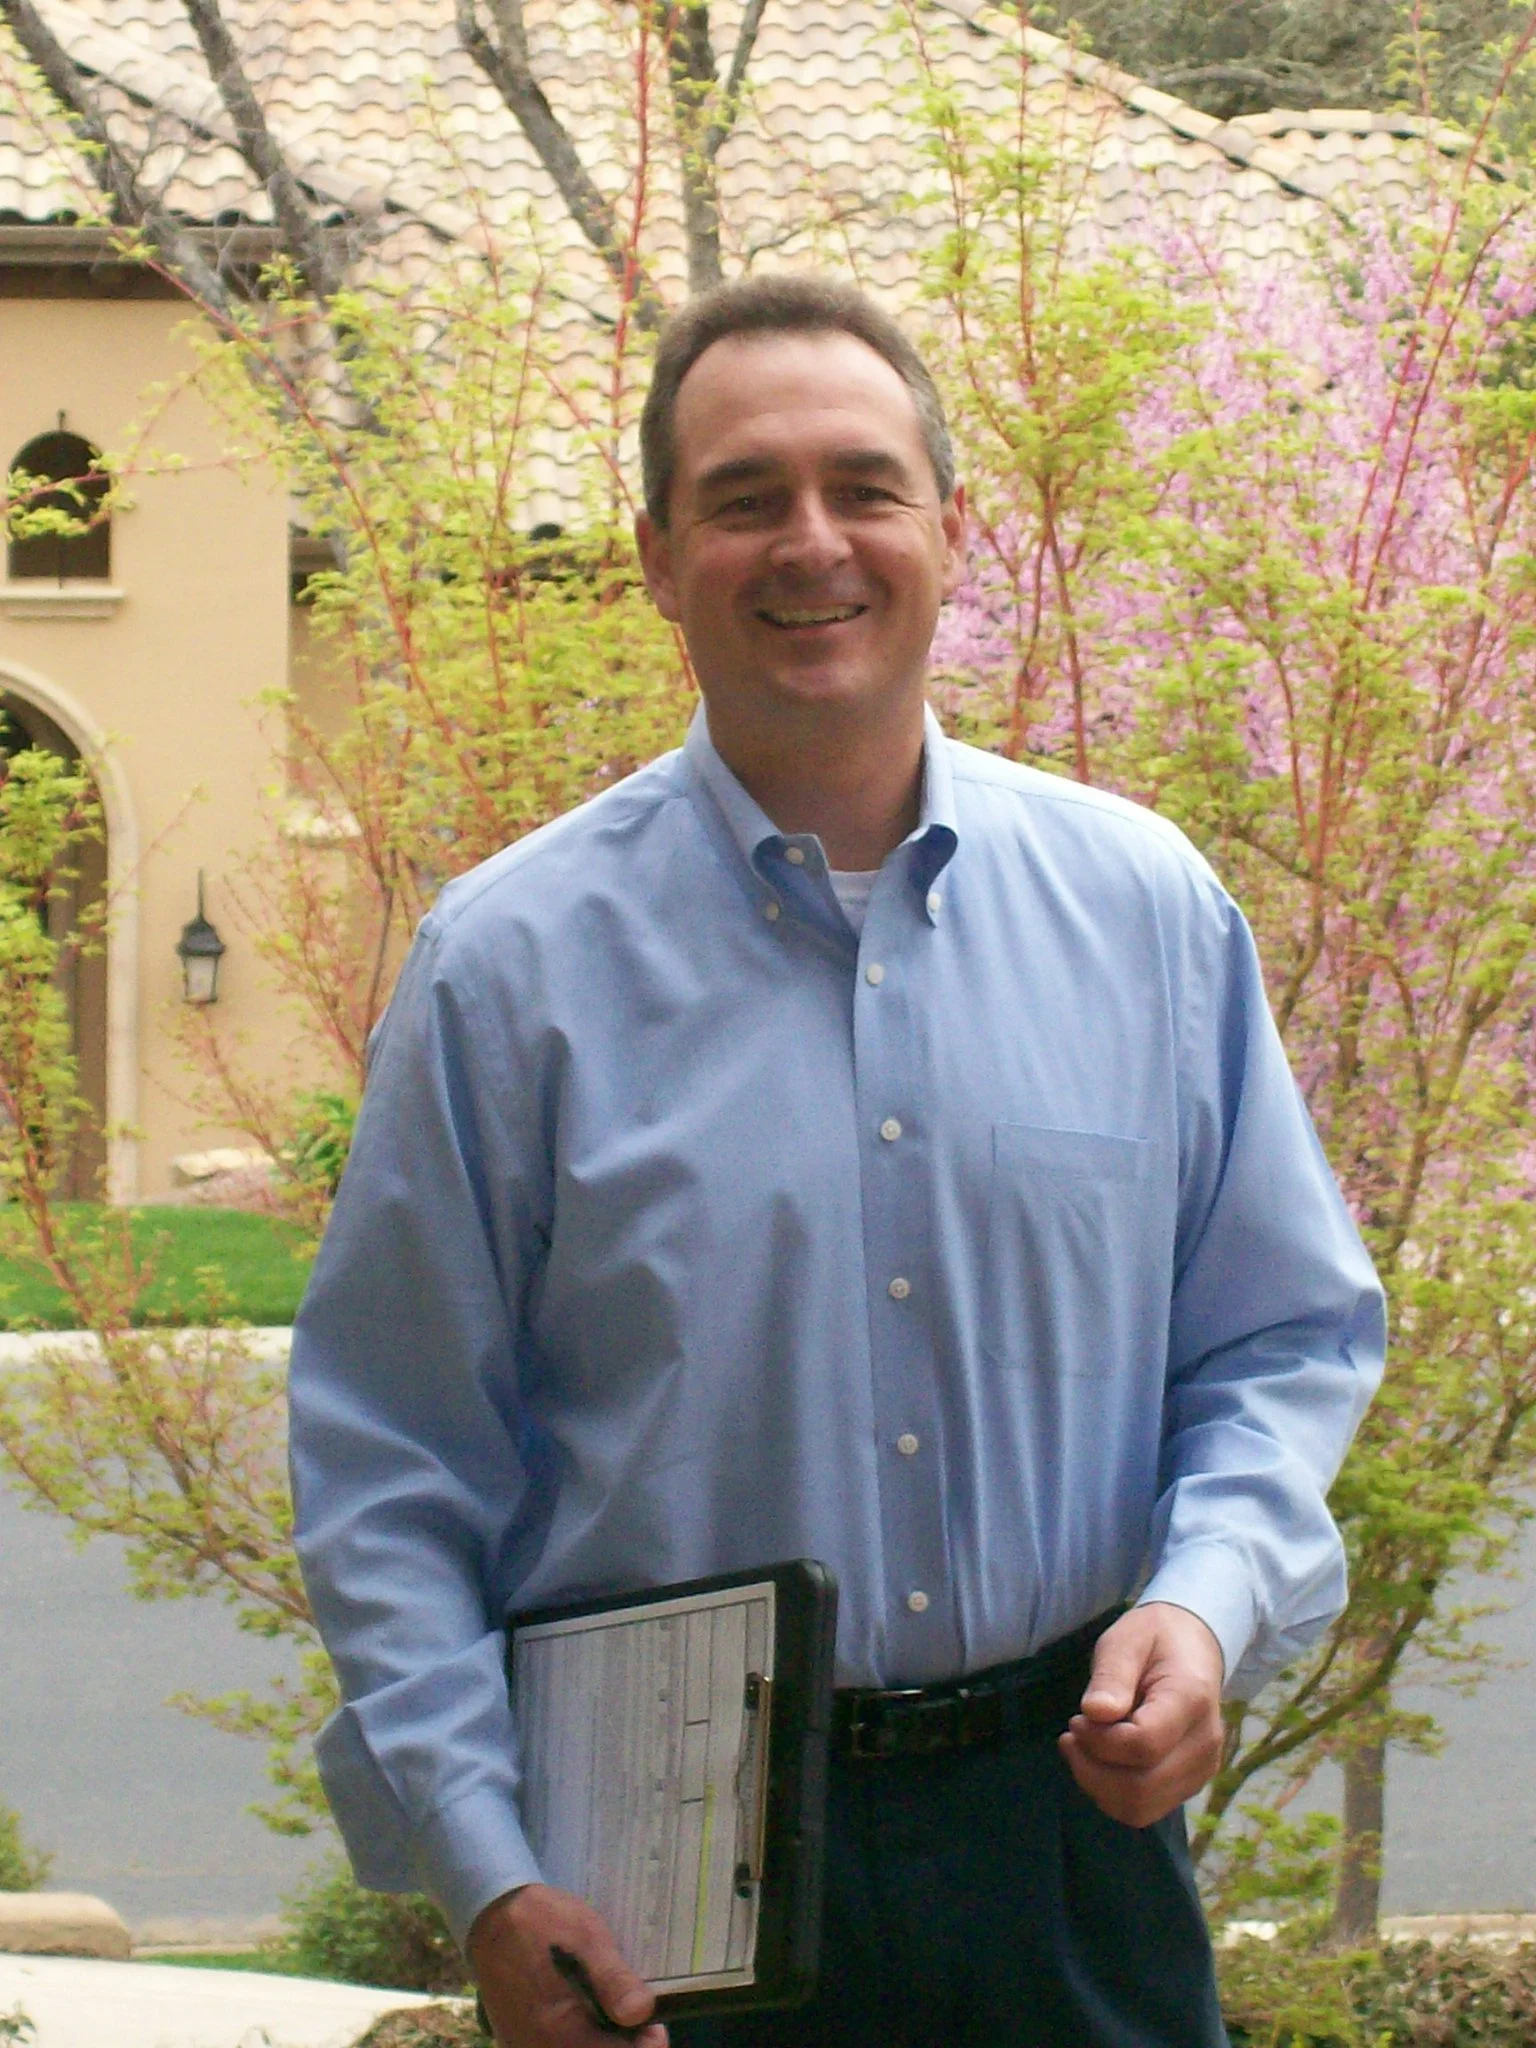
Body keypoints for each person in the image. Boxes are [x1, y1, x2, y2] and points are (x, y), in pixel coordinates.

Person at [288, 273, 1385, 2048]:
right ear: (656, 554)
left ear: (954, 531)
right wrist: (490, 1869)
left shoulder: (1150, 917)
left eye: (865, 487)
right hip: (667, 1887)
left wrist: (1212, 1593)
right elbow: (392, 1465)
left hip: (1069, 1848)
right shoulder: (509, 970)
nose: (815, 544)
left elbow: (1279, 1342)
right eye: (745, 498)